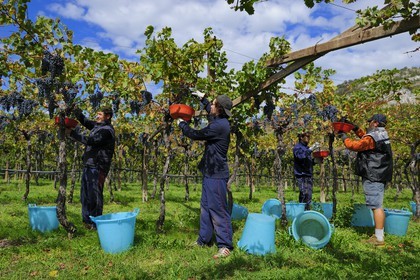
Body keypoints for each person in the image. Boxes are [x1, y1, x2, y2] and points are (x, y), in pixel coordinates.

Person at [177, 91, 233, 259]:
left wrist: (182, 124)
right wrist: (203, 99)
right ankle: (204, 240)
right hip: (210, 172)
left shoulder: (219, 126)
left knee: (218, 210)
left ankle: (225, 245)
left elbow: (196, 135)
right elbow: (211, 113)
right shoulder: (219, 120)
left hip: (216, 175)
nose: (212, 107)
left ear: (220, 109)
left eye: (214, 104)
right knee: (206, 208)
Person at [336, 114, 393, 246]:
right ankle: (378, 235)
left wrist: (344, 137)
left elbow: (356, 146)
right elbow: (365, 138)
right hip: (380, 173)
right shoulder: (381, 134)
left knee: (376, 206)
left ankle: (379, 239)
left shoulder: (373, 137)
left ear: (375, 123)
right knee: (376, 204)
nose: (368, 124)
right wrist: (355, 128)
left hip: (374, 174)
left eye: (370, 122)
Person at [66, 106, 115, 230]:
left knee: (95, 195)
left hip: (98, 167)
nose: (97, 116)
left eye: (99, 114)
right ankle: (87, 221)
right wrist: (77, 111)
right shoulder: (98, 126)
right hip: (89, 165)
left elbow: (91, 141)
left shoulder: (107, 131)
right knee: (85, 195)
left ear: (107, 116)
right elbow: (86, 122)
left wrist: (72, 133)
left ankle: (96, 222)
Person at [293, 131, 320, 210]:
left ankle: (307, 212)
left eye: (309, 136)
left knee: (309, 195)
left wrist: (315, 161)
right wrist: (311, 149)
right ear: (301, 137)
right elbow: (300, 157)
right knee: (304, 193)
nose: (308, 138)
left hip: (308, 174)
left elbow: (307, 162)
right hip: (301, 174)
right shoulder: (297, 147)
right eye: (306, 136)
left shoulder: (306, 148)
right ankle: (301, 212)